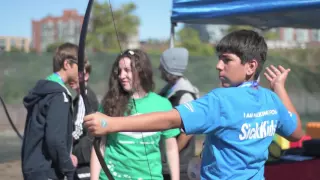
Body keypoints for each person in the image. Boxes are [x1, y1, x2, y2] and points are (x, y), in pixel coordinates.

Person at [83, 30, 304, 180]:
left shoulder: (221, 100)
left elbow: (169, 118)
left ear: (250, 66)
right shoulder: (271, 98)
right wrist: (280, 88)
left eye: (226, 60)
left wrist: (111, 124)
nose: (218, 66)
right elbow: (296, 133)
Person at [90, 49, 180, 180]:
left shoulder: (162, 104)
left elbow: (171, 148)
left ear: (141, 71)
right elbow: (99, 146)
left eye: (127, 70)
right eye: (119, 71)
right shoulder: (110, 103)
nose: (121, 76)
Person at [21, 42, 80, 180]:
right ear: (67, 64)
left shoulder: (45, 90)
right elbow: (55, 139)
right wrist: (68, 168)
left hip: (34, 170)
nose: (81, 70)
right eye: (79, 65)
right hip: (46, 172)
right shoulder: (58, 95)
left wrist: (66, 154)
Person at [158, 47, 200, 180]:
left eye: (162, 66)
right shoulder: (168, 91)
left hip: (179, 166)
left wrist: (171, 153)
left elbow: (188, 131)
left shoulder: (185, 94)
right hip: (167, 164)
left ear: (169, 69)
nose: (159, 68)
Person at [70, 61, 99, 180]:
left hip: (84, 157)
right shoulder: (80, 97)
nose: (72, 77)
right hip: (84, 155)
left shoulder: (84, 96)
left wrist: (64, 143)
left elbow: (78, 128)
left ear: (86, 76)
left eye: (77, 74)